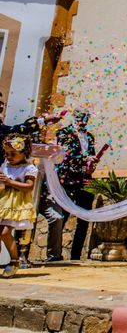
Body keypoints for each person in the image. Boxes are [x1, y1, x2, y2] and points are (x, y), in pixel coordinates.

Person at [40, 109, 96, 261]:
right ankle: (54, 254)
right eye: (80, 117)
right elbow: (67, 156)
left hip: (85, 180)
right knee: (62, 217)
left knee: (84, 219)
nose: (83, 120)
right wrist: (85, 160)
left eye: (85, 117)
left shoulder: (90, 137)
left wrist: (91, 164)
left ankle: (76, 256)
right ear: (75, 118)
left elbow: (90, 156)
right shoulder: (64, 133)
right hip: (67, 180)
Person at [0, 134, 38, 277]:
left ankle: (14, 260)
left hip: (16, 203)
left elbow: (29, 187)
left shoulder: (29, 168)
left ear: (23, 153)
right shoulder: (5, 165)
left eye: (13, 154)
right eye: (6, 153)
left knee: (4, 232)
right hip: (2, 201)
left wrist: (10, 182)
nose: (9, 156)